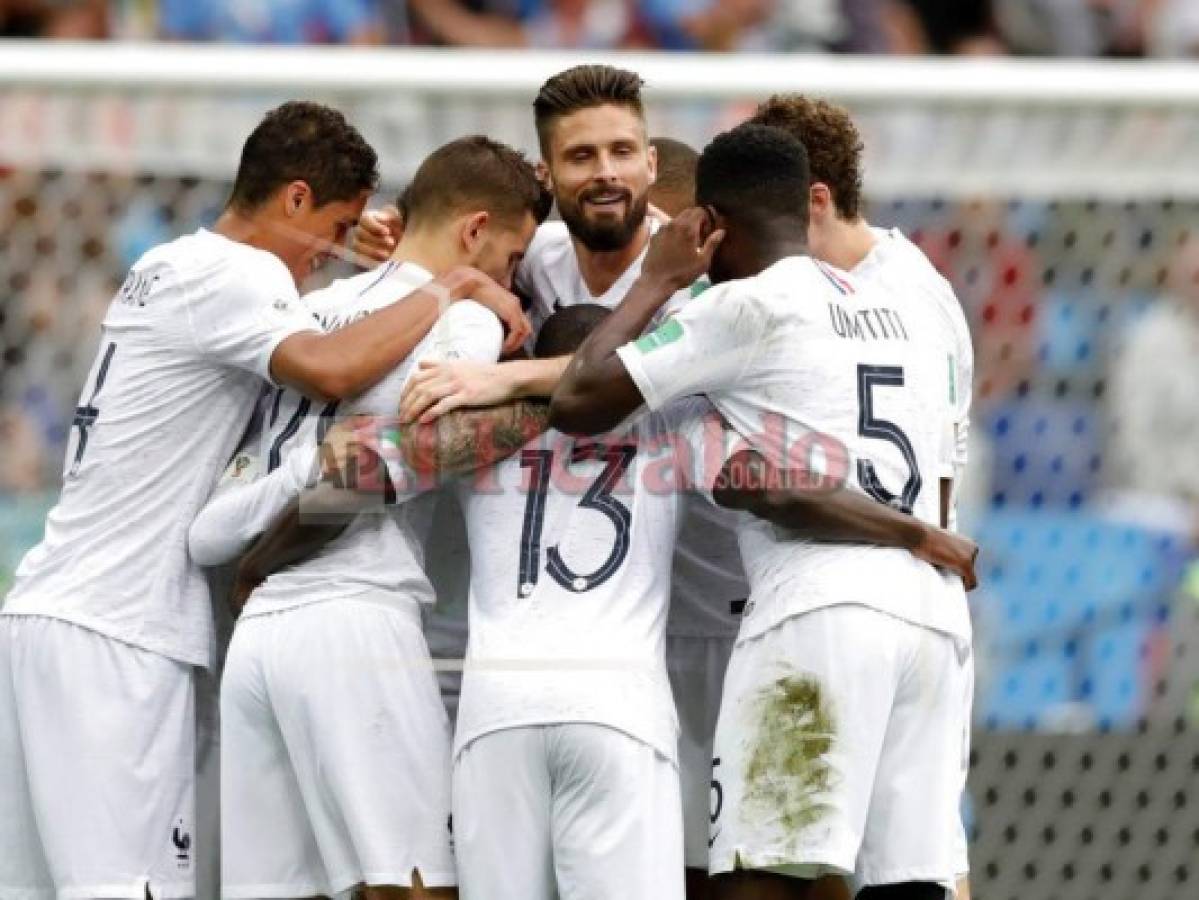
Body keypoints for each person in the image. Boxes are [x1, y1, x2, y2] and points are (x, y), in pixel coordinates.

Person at [0, 102, 527, 900]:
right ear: (293, 199)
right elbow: (329, 370)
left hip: (53, 610)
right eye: (338, 226)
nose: (333, 256)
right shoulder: (237, 277)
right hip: (122, 630)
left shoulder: (173, 264)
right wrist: (445, 285)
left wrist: (373, 266)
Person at [551, 123, 973, 899]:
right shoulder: (906, 307)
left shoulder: (743, 308)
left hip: (819, 607)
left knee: (760, 874)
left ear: (707, 223)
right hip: (931, 619)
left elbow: (578, 399)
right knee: (908, 880)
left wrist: (654, 279)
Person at [185, 135, 551, 899]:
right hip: (356, 617)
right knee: (415, 884)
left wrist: (278, 513)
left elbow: (210, 532)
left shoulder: (312, 312)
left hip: (258, 645)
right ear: (474, 232)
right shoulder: (466, 324)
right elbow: (386, 469)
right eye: (512, 259)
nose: (509, 284)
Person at [750, 93, 974, 897]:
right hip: (929, 606)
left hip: (836, 591)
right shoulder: (930, 291)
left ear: (813, 199)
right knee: (918, 861)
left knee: (790, 862)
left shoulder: (811, 295)